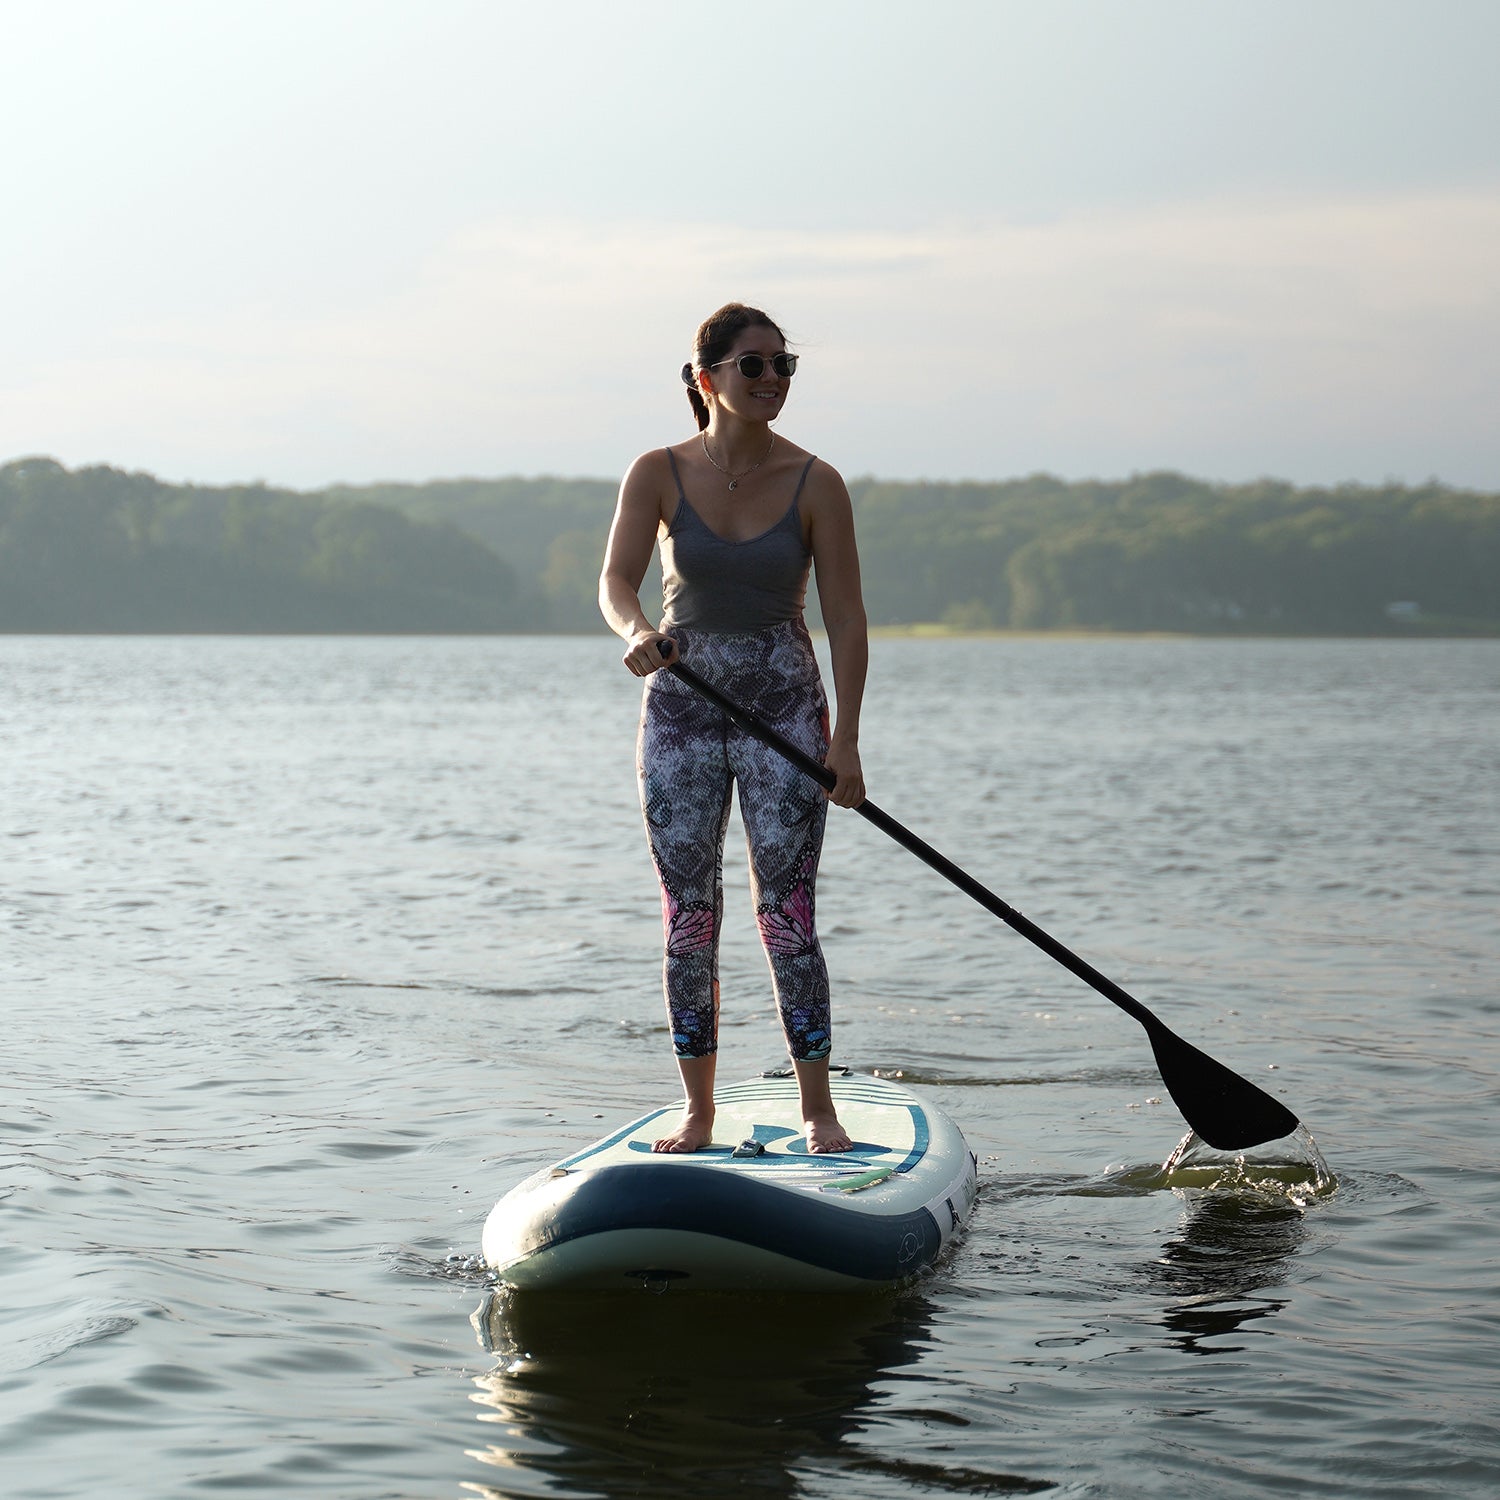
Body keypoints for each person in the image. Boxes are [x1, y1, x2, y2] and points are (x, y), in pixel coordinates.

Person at [598, 302, 869, 1155]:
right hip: (681, 710)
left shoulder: (817, 481)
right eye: (754, 365)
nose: (773, 380)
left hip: (785, 711)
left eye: (785, 365)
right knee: (689, 918)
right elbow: (614, 582)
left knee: (786, 913)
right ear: (706, 376)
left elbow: (850, 624)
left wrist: (847, 740)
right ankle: (698, 1111)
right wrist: (637, 633)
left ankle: (818, 1109)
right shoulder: (657, 471)